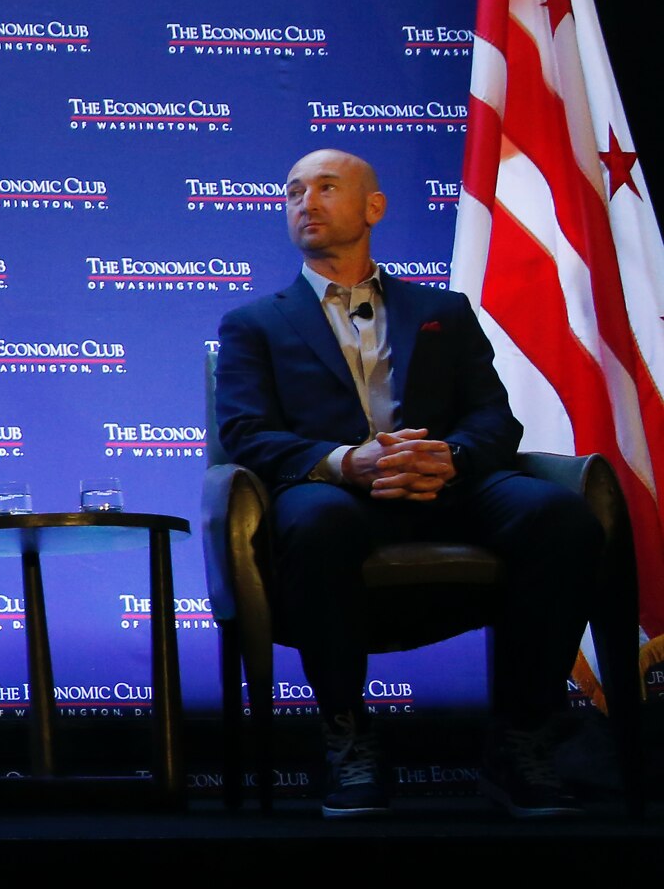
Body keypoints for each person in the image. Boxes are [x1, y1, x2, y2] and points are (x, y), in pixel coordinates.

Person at [213, 148, 595, 819]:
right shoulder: (255, 323)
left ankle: (521, 737)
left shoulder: (442, 309)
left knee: (559, 517)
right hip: (335, 492)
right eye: (294, 191)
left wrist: (449, 456)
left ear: (373, 207)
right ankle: (347, 734)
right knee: (314, 522)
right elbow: (245, 432)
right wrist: (346, 461)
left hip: (448, 488)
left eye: (326, 187)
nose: (306, 201)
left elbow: (493, 416)